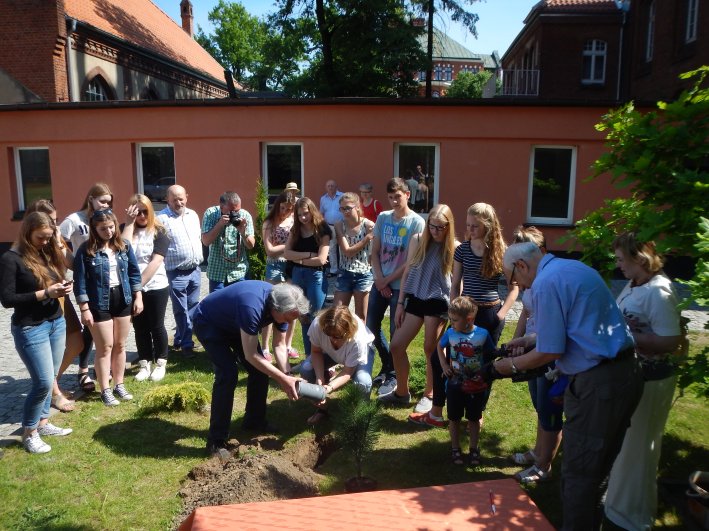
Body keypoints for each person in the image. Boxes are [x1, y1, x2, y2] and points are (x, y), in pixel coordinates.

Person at [491, 242, 643, 531]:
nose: (517, 285)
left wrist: (508, 367)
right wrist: (529, 340)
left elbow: (549, 352)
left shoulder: (546, 283)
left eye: (513, 278)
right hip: (623, 373)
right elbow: (577, 328)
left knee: (579, 476)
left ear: (521, 266)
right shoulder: (572, 268)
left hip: (599, 385)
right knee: (597, 472)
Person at [410, 202, 518, 428]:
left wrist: (501, 315)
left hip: (489, 314)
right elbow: (455, 283)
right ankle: (437, 412)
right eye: (468, 225)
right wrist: (453, 311)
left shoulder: (502, 252)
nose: (469, 230)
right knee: (440, 360)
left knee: (483, 367)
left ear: (488, 226)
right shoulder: (462, 250)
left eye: (475, 226)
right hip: (464, 312)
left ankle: (476, 414)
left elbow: (514, 287)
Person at [604, 233, 684, 531]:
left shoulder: (660, 291)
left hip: (652, 381)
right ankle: (619, 505)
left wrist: (628, 337)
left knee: (639, 448)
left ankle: (632, 517)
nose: (618, 265)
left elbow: (671, 340)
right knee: (626, 446)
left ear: (640, 258)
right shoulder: (636, 283)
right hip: (633, 375)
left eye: (621, 259)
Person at [193, 281, 310, 453]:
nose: (290, 322)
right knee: (228, 374)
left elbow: (279, 344)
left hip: (234, 322)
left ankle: (254, 421)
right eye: (288, 319)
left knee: (260, 371)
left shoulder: (282, 306)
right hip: (209, 322)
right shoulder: (252, 306)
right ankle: (216, 441)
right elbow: (251, 355)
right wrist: (282, 379)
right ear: (275, 309)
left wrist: (287, 374)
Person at [1, 212, 74, 453]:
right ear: (27, 232)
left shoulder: (44, 253)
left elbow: (52, 281)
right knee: (42, 382)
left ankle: (43, 423)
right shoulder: (11, 259)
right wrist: (45, 294)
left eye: (48, 238)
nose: (45, 242)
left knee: (51, 377)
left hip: (55, 322)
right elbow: (8, 299)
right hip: (30, 328)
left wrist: (63, 287)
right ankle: (29, 432)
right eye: (41, 237)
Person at [379, 204, 458, 410]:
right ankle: (401, 393)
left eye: (441, 227)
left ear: (449, 227)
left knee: (430, 348)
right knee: (396, 346)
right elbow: (408, 272)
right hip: (415, 297)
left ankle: (429, 394)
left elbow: (457, 281)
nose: (435, 231)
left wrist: (455, 309)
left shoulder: (454, 247)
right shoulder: (417, 239)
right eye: (432, 226)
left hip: (438, 300)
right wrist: (399, 304)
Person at [508, 226, 562, 484]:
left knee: (549, 406)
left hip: (547, 349)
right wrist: (516, 340)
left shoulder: (545, 281)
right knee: (539, 404)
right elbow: (525, 313)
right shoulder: (530, 280)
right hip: (531, 344)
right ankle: (539, 451)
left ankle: (545, 463)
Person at [74, 209, 143, 407]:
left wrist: (138, 297)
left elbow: (134, 274)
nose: (109, 231)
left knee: (120, 345)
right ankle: (105, 389)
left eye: (111, 227)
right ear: (94, 229)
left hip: (123, 299)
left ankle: (119, 384)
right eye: (103, 228)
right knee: (105, 347)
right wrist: (84, 308)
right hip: (98, 304)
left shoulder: (124, 246)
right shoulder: (86, 251)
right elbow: (79, 282)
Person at [368, 178, 425, 396]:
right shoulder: (383, 218)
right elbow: (375, 252)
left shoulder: (416, 223)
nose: (393, 201)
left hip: (400, 286)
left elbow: (410, 261)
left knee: (395, 333)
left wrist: (388, 279)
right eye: (390, 197)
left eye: (397, 197)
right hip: (380, 281)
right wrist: (379, 278)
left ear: (407, 195)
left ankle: (393, 375)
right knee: (370, 327)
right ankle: (387, 366)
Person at [25, 200, 82, 412]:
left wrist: (58, 240)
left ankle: (50, 382)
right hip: (42, 299)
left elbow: (72, 264)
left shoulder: (53, 240)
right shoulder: (30, 245)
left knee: (77, 342)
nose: (53, 225)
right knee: (49, 349)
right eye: (50, 221)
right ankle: (54, 391)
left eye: (55, 220)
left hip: (61, 296)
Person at [59, 183, 114, 394]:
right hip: (88, 281)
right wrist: (72, 262)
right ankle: (83, 370)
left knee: (104, 328)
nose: (106, 205)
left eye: (109, 202)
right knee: (90, 326)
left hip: (106, 279)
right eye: (102, 200)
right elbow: (58, 240)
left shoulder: (105, 217)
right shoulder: (75, 219)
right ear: (90, 198)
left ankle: (102, 367)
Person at [438, 296, 495, 466]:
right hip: (455, 383)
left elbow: (490, 354)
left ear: (469, 319)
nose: (452, 323)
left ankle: (473, 448)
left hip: (476, 385)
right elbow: (439, 347)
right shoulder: (450, 333)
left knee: (474, 418)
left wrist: (485, 373)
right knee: (454, 418)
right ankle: (455, 448)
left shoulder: (482, 334)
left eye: (454, 320)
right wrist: (444, 365)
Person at [122, 194, 170, 382]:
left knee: (156, 324)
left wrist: (137, 286)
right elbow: (122, 249)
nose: (141, 216)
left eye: (145, 211)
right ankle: (144, 363)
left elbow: (156, 261)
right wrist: (128, 223)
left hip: (156, 285)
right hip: (134, 288)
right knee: (140, 327)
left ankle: (161, 363)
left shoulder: (159, 231)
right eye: (137, 211)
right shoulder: (125, 229)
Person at [300, 305, 375, 424]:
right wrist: (319, 380)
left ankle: (360, 417)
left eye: (338, 336)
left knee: (363, 381)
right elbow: (316, 352)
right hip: (329, 353)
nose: (333, 340)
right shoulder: (318, 325)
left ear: (348, 331)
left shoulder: (358, 340)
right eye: (328, 334)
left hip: (360, 353)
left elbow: (347, 371)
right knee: (306, 370)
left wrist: (329, 387)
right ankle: (322, 409)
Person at [156, 185, 203, 358]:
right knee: (181, 309)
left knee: (192, 307)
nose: (178, 202)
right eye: (174, 199)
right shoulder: (160, 219)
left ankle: (179, 338)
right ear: (167, 199)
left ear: (187, 197)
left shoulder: (193, 215)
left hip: (195, 269)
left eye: (181, 198)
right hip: (175, 272)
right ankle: (187, 345)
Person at [284, 197, 332, 358]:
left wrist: (298, 259)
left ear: (312, 211)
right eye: (299, 215)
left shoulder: (323, 229)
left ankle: (322, 357)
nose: (303, 218)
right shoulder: (296, 230)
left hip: (316, 276)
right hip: (298, 274)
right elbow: (286, 253)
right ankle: (309, 358)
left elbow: (321, 259)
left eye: (306, 213)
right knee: (303, 316)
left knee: (316, 317)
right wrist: (308, 255)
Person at [261, 192, 298, 367]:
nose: (285, 212)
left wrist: (284, 249)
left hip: (291, 266)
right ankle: (265, 347)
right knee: (272, 304)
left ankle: (288, 344)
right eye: (283, 208)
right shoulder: (269, 223)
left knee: (291, 305)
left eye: (289, 209)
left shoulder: (294, 221)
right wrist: (289, 247)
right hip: (274, 266)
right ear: (277, 206)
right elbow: (269, 250)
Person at [201, 191, 255, 293]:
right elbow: (206, 241)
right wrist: (219, 224)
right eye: (231, 211)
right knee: (218, 307)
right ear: (221, 207)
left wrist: (243, 233)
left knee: (238, 306)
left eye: (237, 211)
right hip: (217, 273)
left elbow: (251, 245)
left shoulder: (244, 215)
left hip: (239, 272)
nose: (235, 214)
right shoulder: (211, 214)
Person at [334, 192, 375, 322]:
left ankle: (361, 342)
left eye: (348, 208)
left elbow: (374, 252)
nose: (345, 212)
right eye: (342, 208)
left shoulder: (368, 225)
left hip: (363, 274)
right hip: (345, 272)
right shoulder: (339, 225)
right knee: (337, 314)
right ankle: (340, 341)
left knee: (360, 317)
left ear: (357, 207)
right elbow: (347, 251)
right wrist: (366, 239)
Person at [319, 180, 343, 275]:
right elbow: (321, 212)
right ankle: (334, 270)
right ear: (326, 187)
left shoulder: (342, 196)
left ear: (336, 186)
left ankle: (343, 269)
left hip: (342, 226)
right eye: (328, 186)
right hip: (330, 226)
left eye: (332, 186)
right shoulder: (323, 199)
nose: (330, 187)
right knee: (332, 248)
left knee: (343, 248)